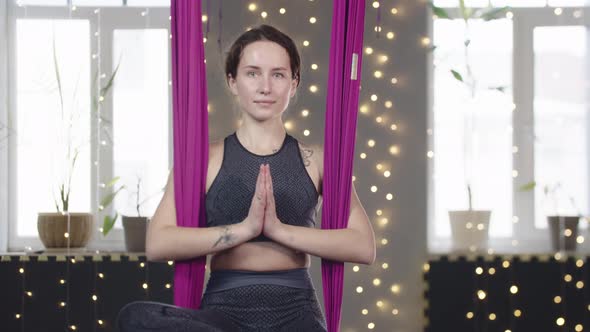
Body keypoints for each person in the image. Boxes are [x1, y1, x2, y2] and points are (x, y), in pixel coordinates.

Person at [117, 24, 376, 332]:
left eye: (278, 74)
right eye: (252, 73)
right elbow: (159, 243)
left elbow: (363, 246)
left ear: (293, 84)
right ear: (233, 81)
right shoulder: (203, 161)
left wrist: (278, 230)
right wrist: (245, 229)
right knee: (135, 317)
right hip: (223, 316)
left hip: (296, 313)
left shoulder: (317, 159)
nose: (265, 86)